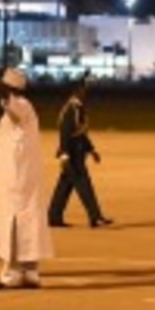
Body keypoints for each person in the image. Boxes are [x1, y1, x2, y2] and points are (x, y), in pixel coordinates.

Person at [0, 66, 54, 289]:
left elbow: (13, 107)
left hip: (17, 182)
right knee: (28, 223)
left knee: (14, 224)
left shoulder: (23, 107)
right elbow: (1, 146)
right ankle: (30, 270)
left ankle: (13, 272)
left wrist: (3, 94)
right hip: (20, 179)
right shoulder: (13, 115)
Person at [46, 77, 112, 228]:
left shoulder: (78, 107)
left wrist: (91, 150)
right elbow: (65, 132)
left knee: (65, 186)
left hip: (77, 150)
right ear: (77, 91)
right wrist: (64, 154)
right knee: (83, 184)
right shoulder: (71, 109)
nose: (86, 92)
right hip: (72, 153)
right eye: (83, 89)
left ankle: (54, 216)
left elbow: (81, 132)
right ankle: (95, 216)